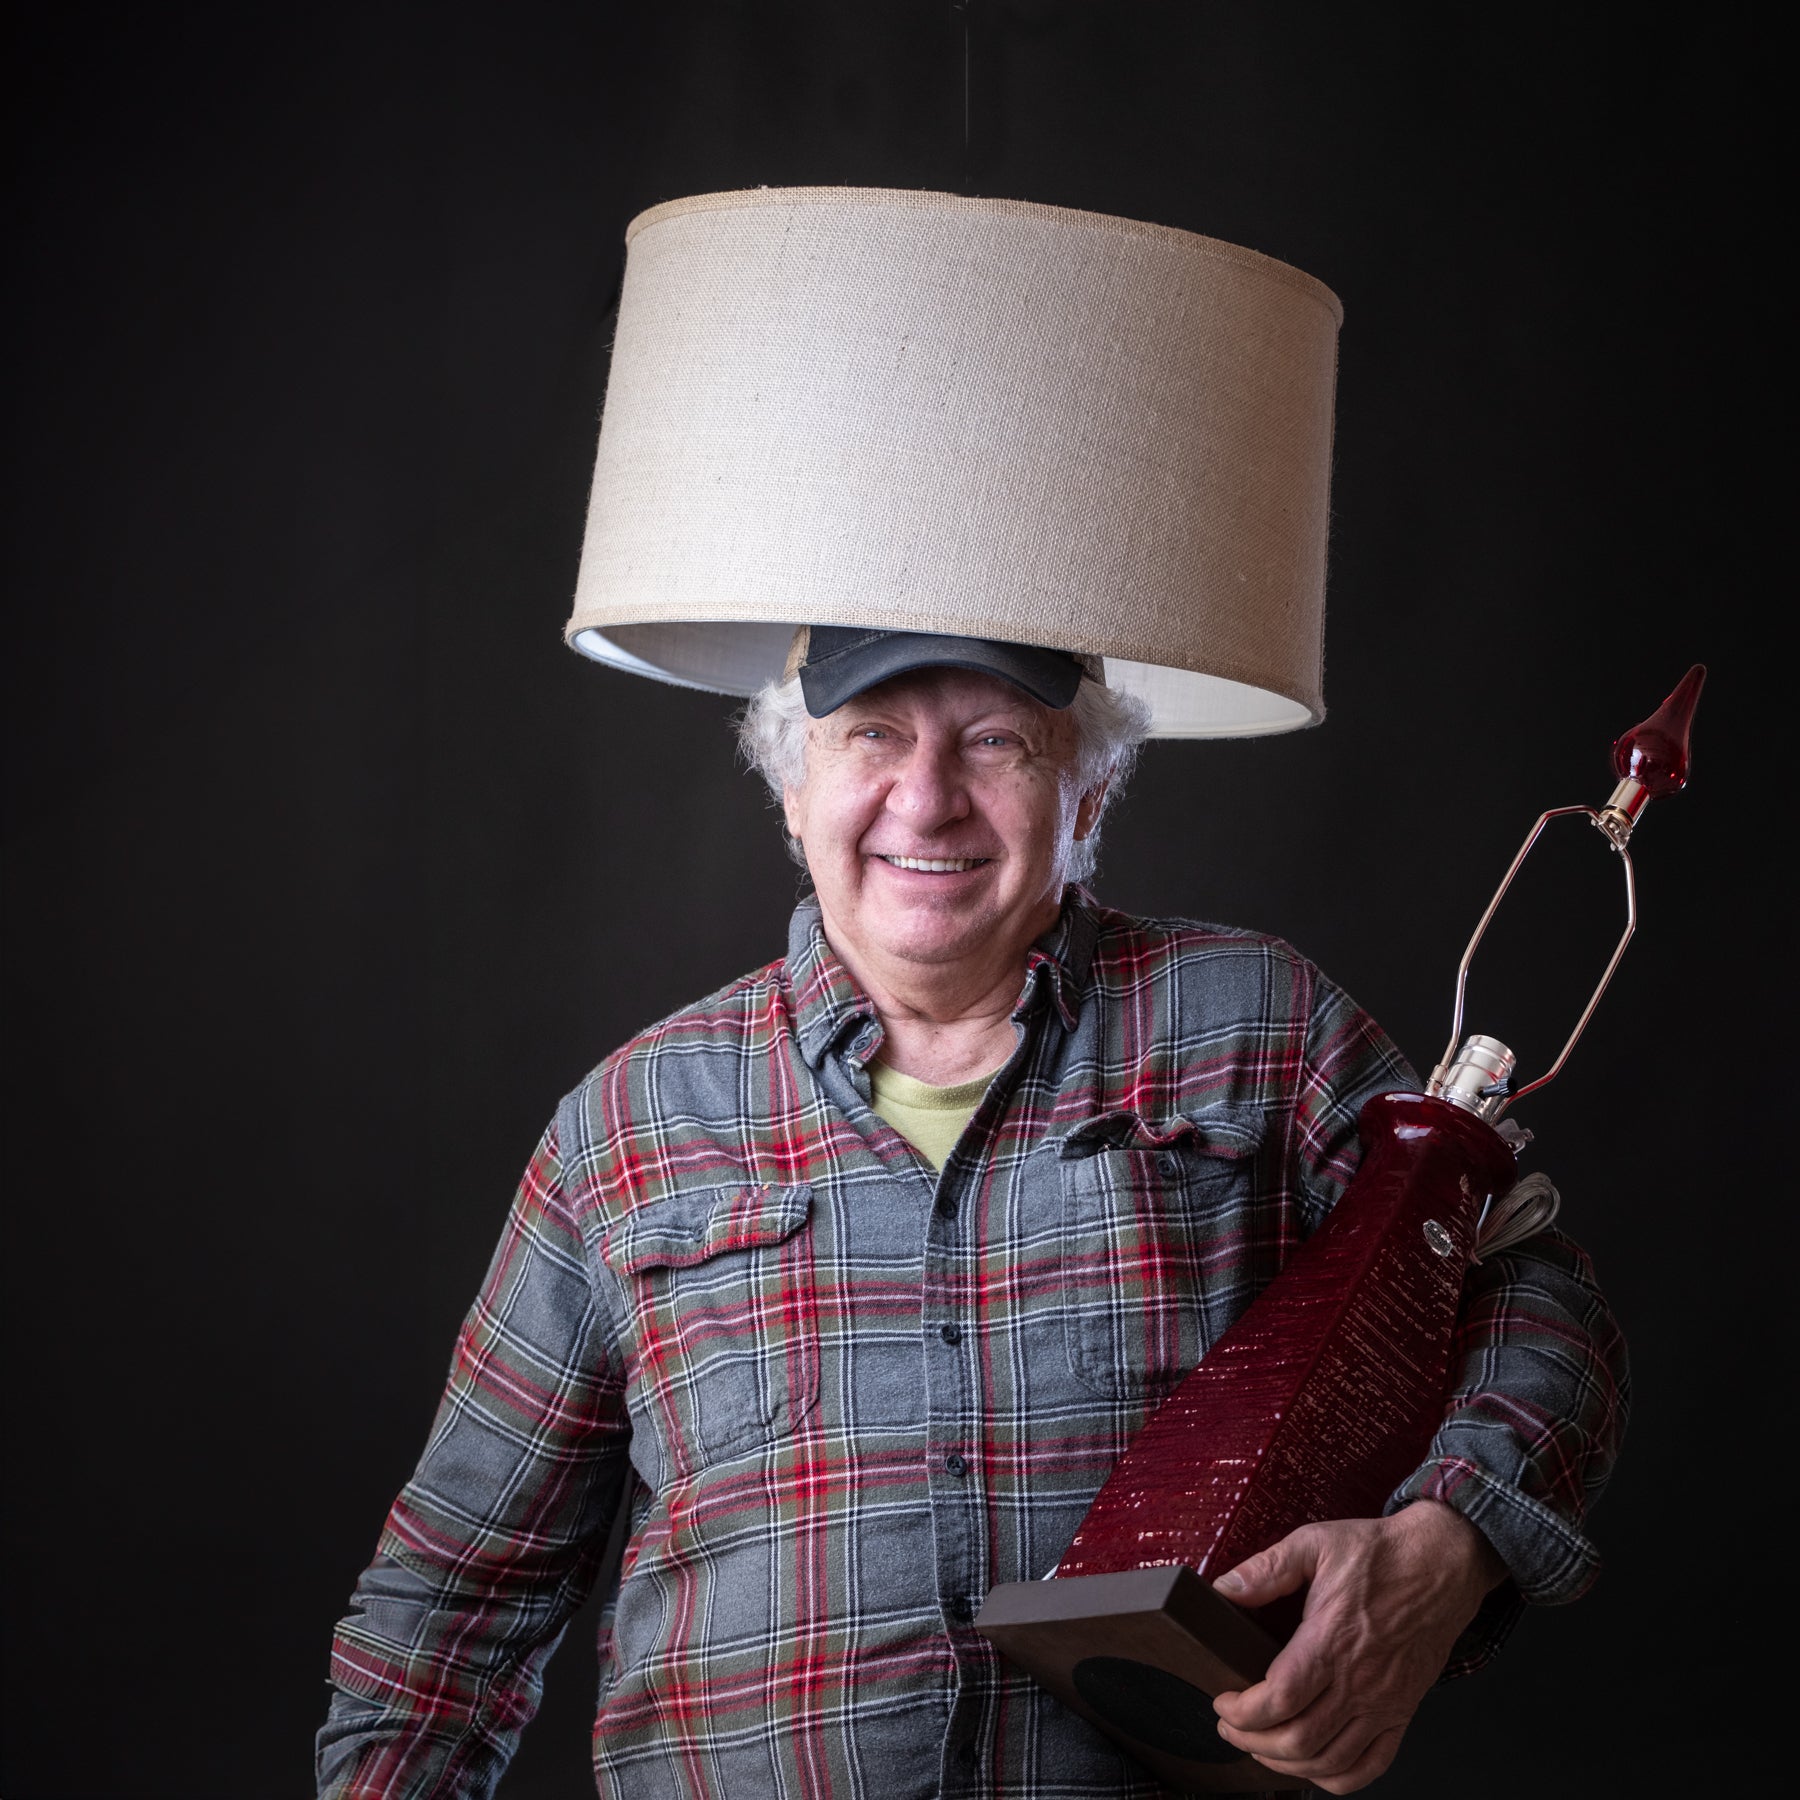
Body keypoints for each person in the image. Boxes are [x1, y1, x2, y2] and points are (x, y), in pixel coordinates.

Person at [318, 627, 1626, 1798]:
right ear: (793, 784)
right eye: (872, 736)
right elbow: (449, 1606)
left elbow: (1531, 1290)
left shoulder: (1257, 1028)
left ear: (1091, 788)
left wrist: (1450, 1542)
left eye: (995, 739)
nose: (928, 798)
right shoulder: (629, 1123)